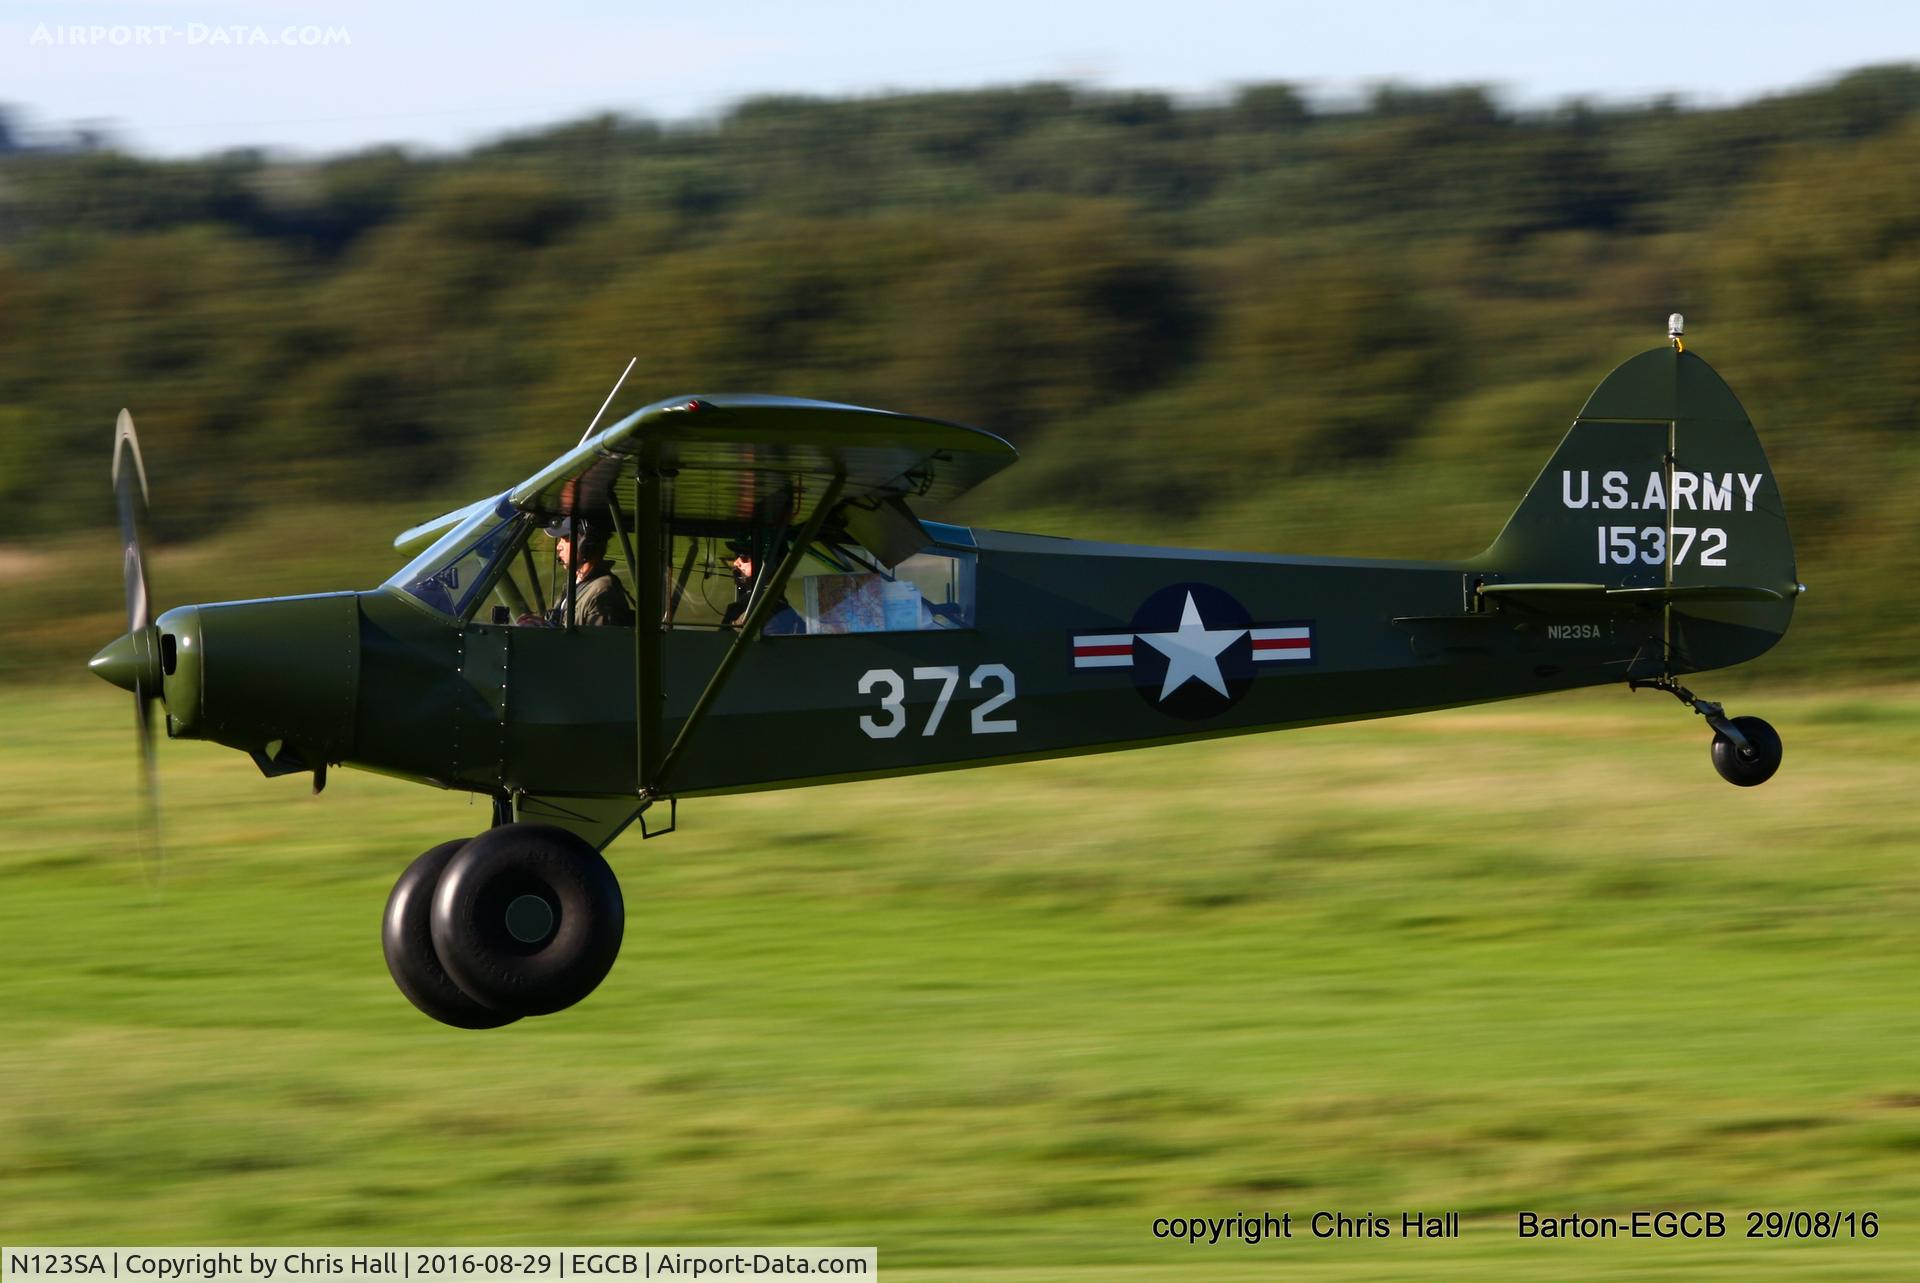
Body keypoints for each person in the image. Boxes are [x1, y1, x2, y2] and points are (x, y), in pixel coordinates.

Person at [519, 518, 634, 627]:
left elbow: (596, 644)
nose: (559, 546)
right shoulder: (577, 585)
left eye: (565, 538)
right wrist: (543, 625)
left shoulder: (602, 591)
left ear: (585, 545)